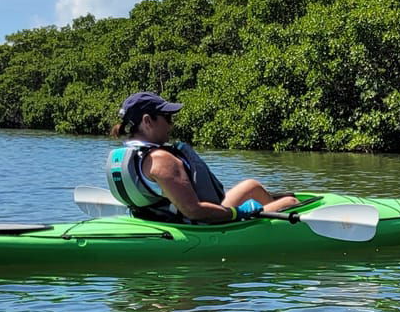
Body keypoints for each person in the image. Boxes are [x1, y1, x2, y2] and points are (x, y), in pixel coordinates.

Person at [105, 92, 298, 224]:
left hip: (157, 218)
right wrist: (238, 212)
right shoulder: (161, 159)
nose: (171, 125)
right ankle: (267, 222)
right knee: (291, 203)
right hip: (195, 224)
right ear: (147, 121)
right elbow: (194, 211)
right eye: (167, 118)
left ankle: (265, 215)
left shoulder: (123, 155)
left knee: (251, 186)